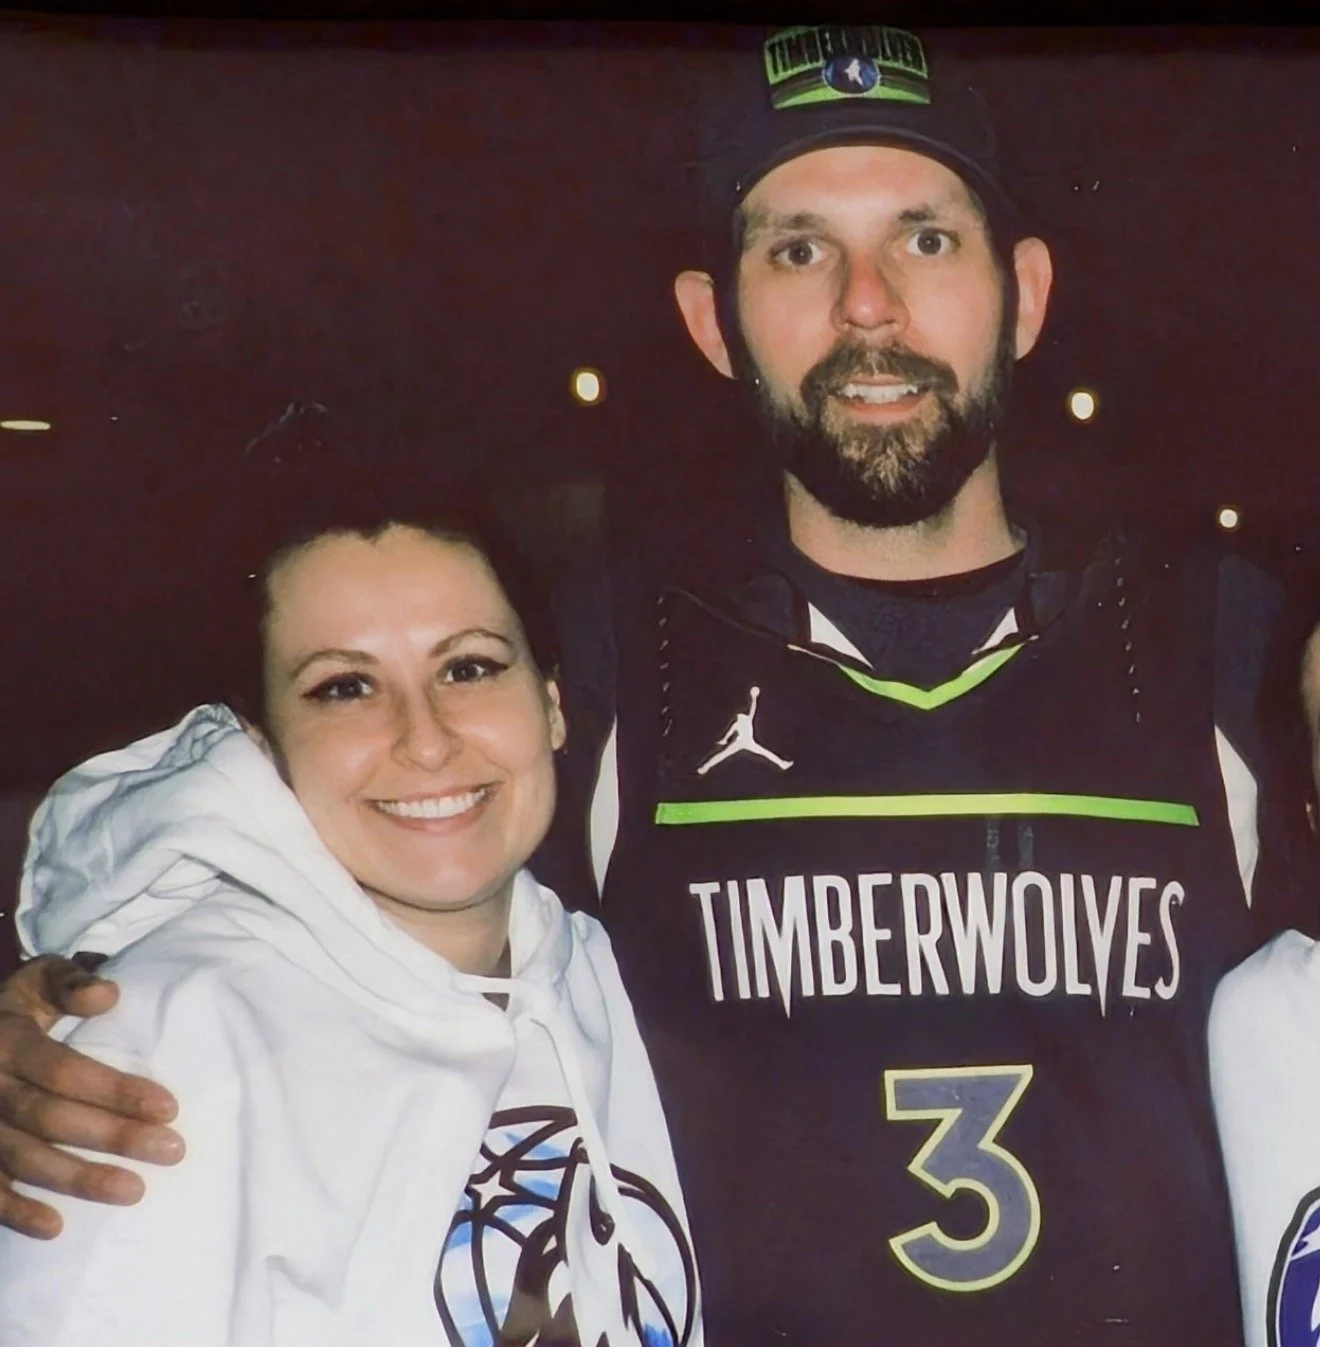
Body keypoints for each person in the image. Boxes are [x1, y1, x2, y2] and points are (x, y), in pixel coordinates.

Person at [0, 22, 1311, 1344]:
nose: (867, 304)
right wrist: (78, 999)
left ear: (1023, 295)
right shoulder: (600, 668)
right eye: (798, 247)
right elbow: (276, 859)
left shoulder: (1228, 652)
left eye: (924, 238)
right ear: (712, 318)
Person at [0, 498, 700, 1346]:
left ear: (552, 705)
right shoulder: (163, 1042)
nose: (427, 739)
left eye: (469, 667)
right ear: (262, 748)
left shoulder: (607, 978)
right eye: (345, 687)